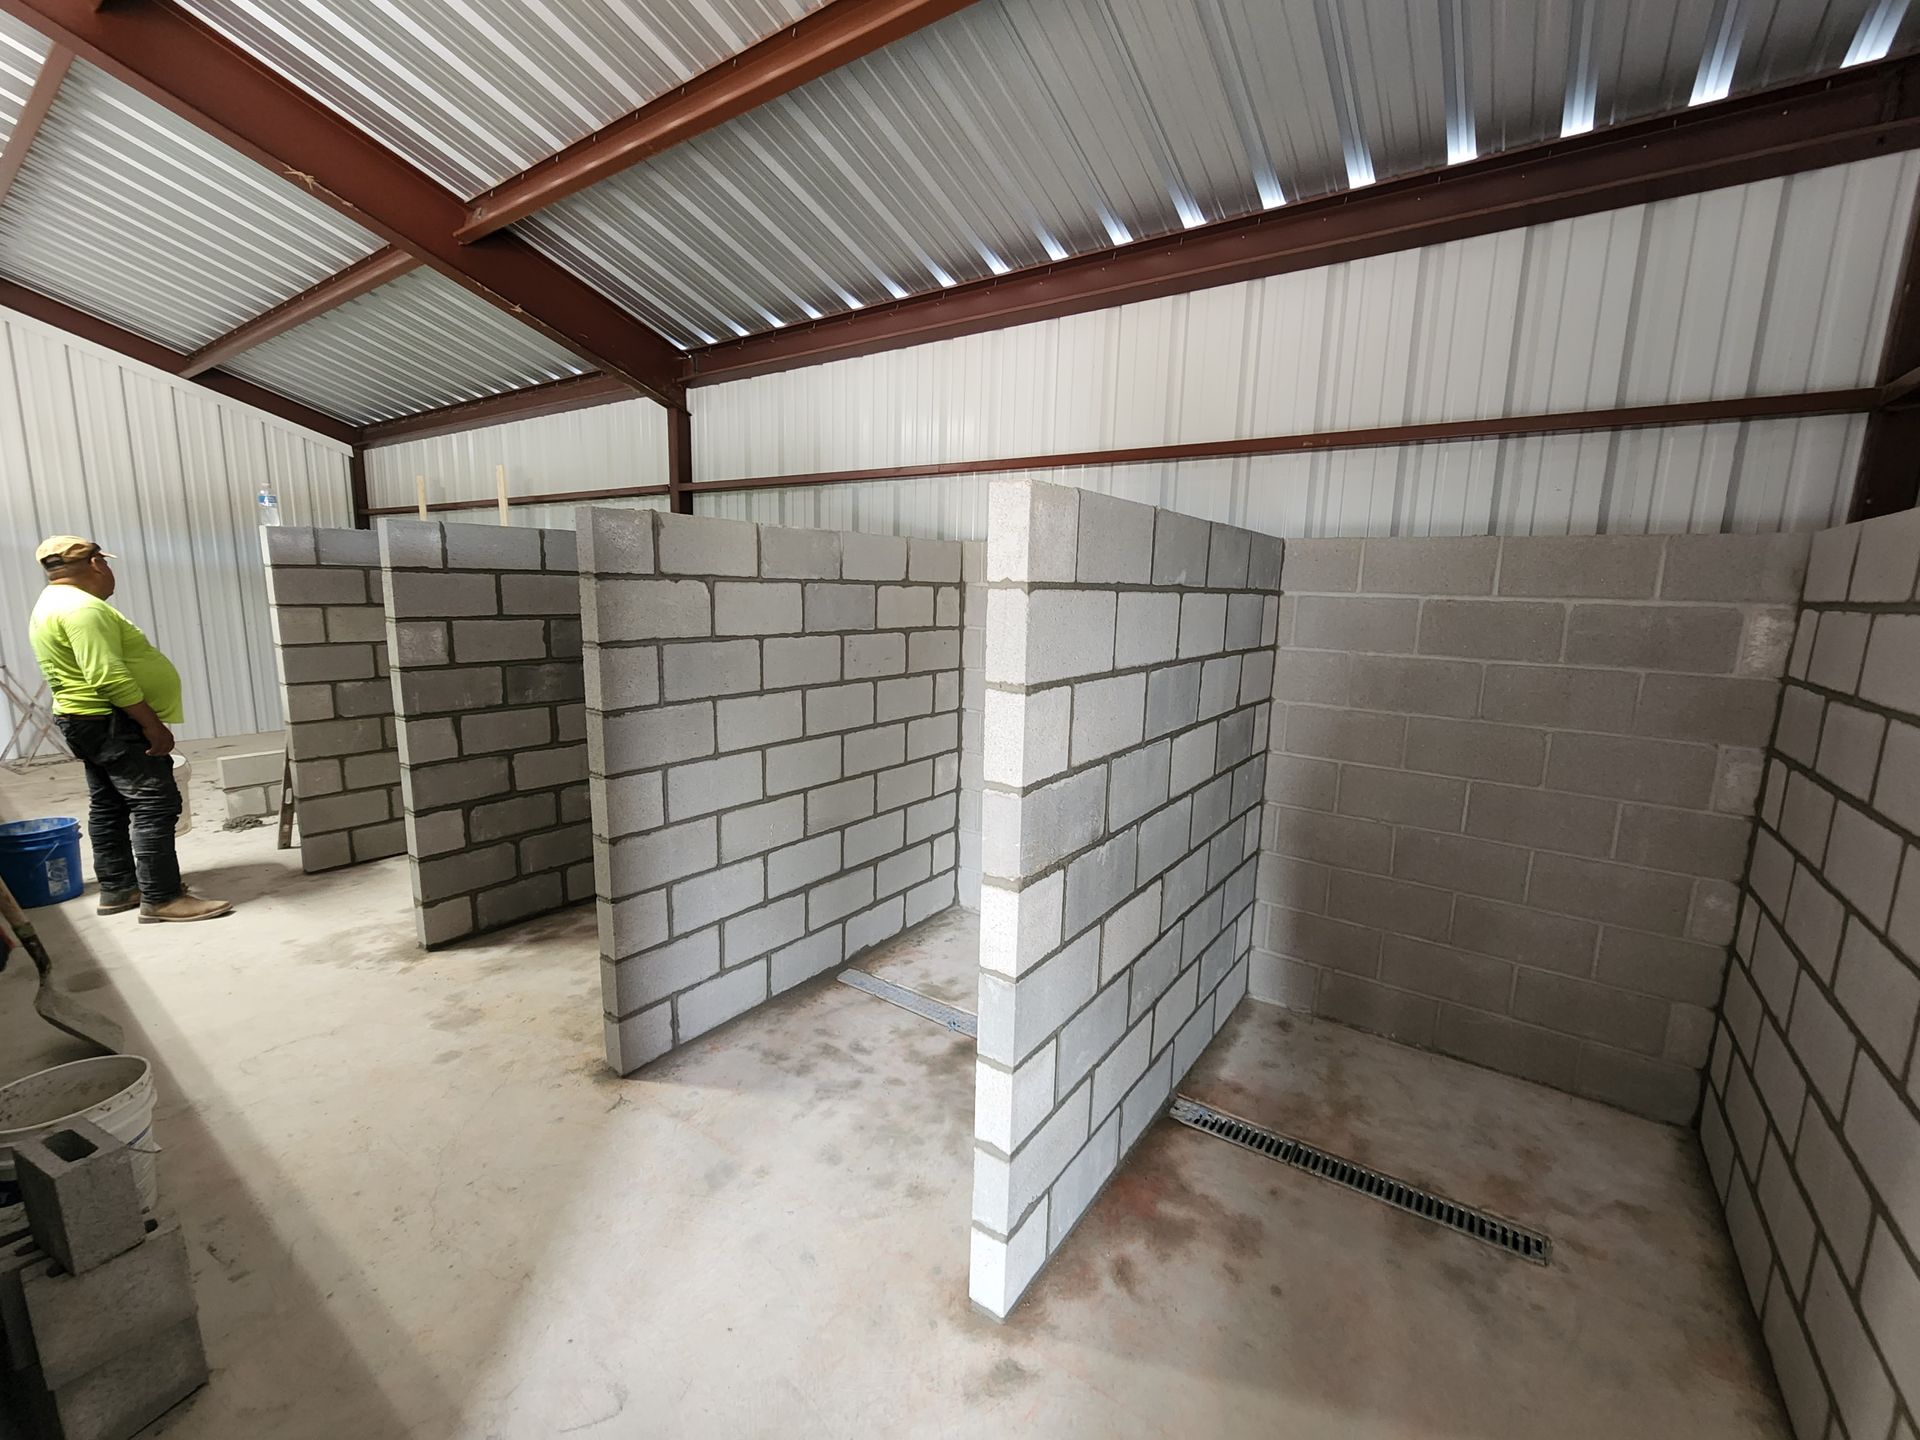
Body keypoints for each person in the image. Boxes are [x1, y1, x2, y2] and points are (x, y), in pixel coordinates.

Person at [26, 536, 231, 924]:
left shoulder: (50, 602)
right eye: (105, 563)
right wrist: (152, 726)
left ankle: (120, 887)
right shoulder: (83, 609)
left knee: (110, 803)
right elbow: (106, 676)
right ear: (96, 564)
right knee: (156, 802)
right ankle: (162, 898)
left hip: (83, 719)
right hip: (109, 720)